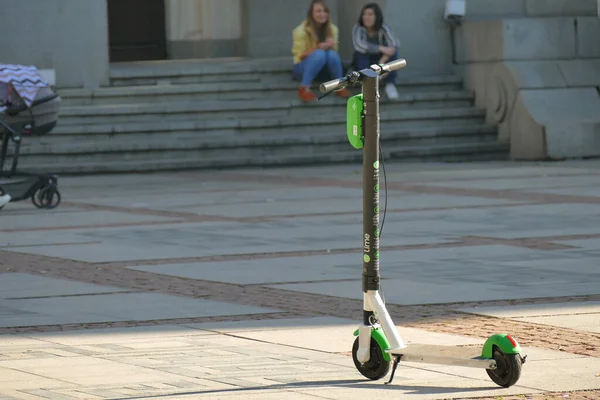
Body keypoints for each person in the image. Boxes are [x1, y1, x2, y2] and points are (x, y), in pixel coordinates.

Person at [291, 0, 352, 102]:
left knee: (332, 54)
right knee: (320, 54)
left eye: (325, 11)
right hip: (302, 68)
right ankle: (304, 88)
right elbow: (299, 56)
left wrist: (330, 46)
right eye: (318, 11)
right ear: (311, 14)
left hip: (324, 69)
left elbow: (333, 56)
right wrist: (318, 47)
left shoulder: (332, 29)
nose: (322, 14)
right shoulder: (300, 31)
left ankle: (340, 87)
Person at [351, 2, 400, 100]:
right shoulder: (358, 28)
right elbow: (360, 46)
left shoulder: (383, 28)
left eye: (370, 14)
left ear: (376, 16)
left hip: (380, 59)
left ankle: (390, 84)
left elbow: (394, 45)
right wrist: (381, 48)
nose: (366, 17)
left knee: (393, 55)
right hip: (365, 61)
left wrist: (382, 62)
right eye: (364, 14)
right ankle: (367, 84)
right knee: (360, 54)